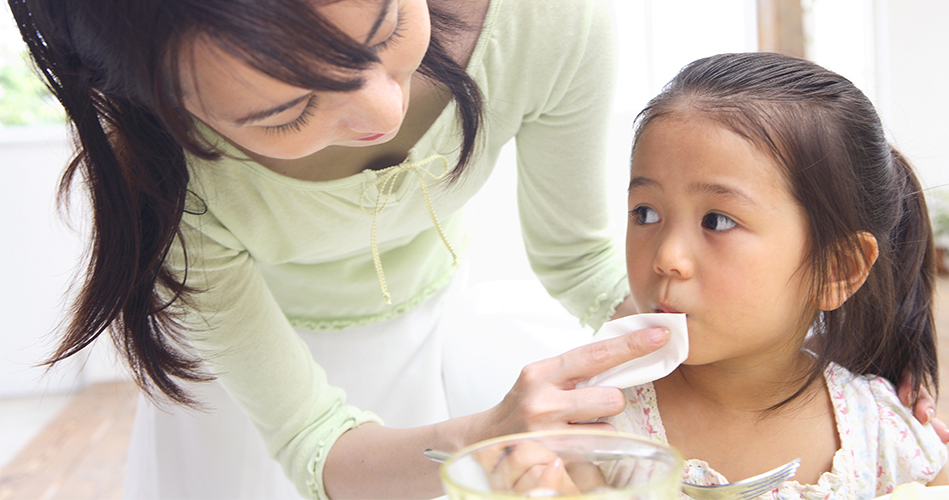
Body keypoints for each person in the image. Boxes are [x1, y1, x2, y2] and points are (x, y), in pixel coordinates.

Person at [7, 0, 663, 499]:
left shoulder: (545, 22)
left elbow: (578, 262)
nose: (382, 113)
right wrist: (477, 440)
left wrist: (679, 327)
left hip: (424, 335)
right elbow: (310, 437)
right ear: (168, 109)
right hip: (237, 391)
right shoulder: (169, 186)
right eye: (287, 113)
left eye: (387, 27)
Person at [601, 52, 948, 498]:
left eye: (718, 221)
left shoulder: (889, 440)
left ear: (838, 268)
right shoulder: (598, 422)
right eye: (645, 212)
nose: (667, 257)